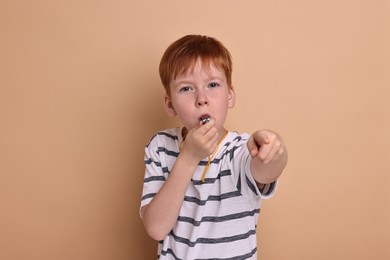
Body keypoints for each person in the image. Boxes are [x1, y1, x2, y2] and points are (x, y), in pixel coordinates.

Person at [140, 34, 288, 260]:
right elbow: (156, 228)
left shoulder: (240, 150)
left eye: (212, 85)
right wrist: (188, 157)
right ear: (170, 104)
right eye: (186, 89)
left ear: (230, 95)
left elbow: (266, 170)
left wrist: (273, 150)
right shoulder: (160, 147)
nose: (202, 98)